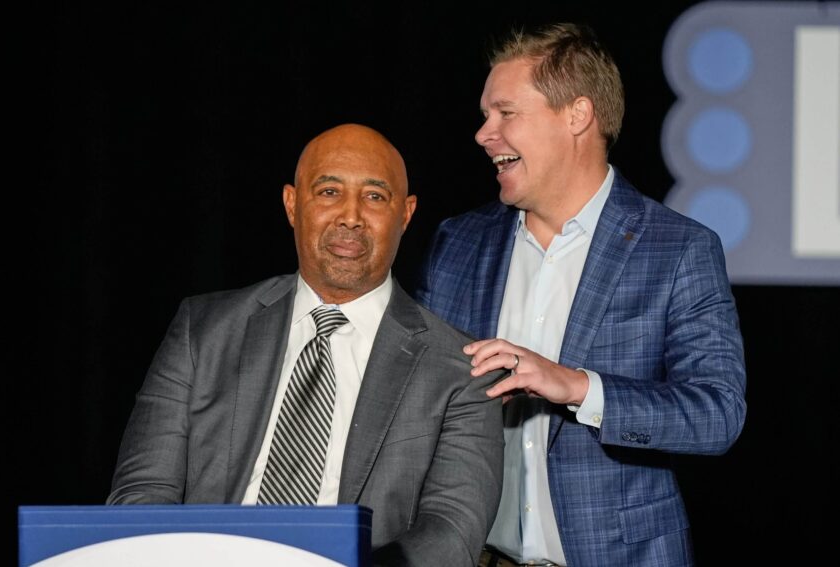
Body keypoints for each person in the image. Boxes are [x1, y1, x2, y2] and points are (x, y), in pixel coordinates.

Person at [415, 23, 746, 567]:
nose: (483, 133)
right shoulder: (458, 243)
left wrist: (576, 387)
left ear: (577, 115)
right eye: (485, 115)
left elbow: (717, 414)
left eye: (505, 113)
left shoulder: (677, 249)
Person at [108, 123, 506, 566]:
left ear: (406, 214)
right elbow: (142, 493)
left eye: (375, 196)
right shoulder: (203, 330)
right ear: (292, 205)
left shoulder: (461, 369)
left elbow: (452, 532)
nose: (351, 216)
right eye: (329, 192)